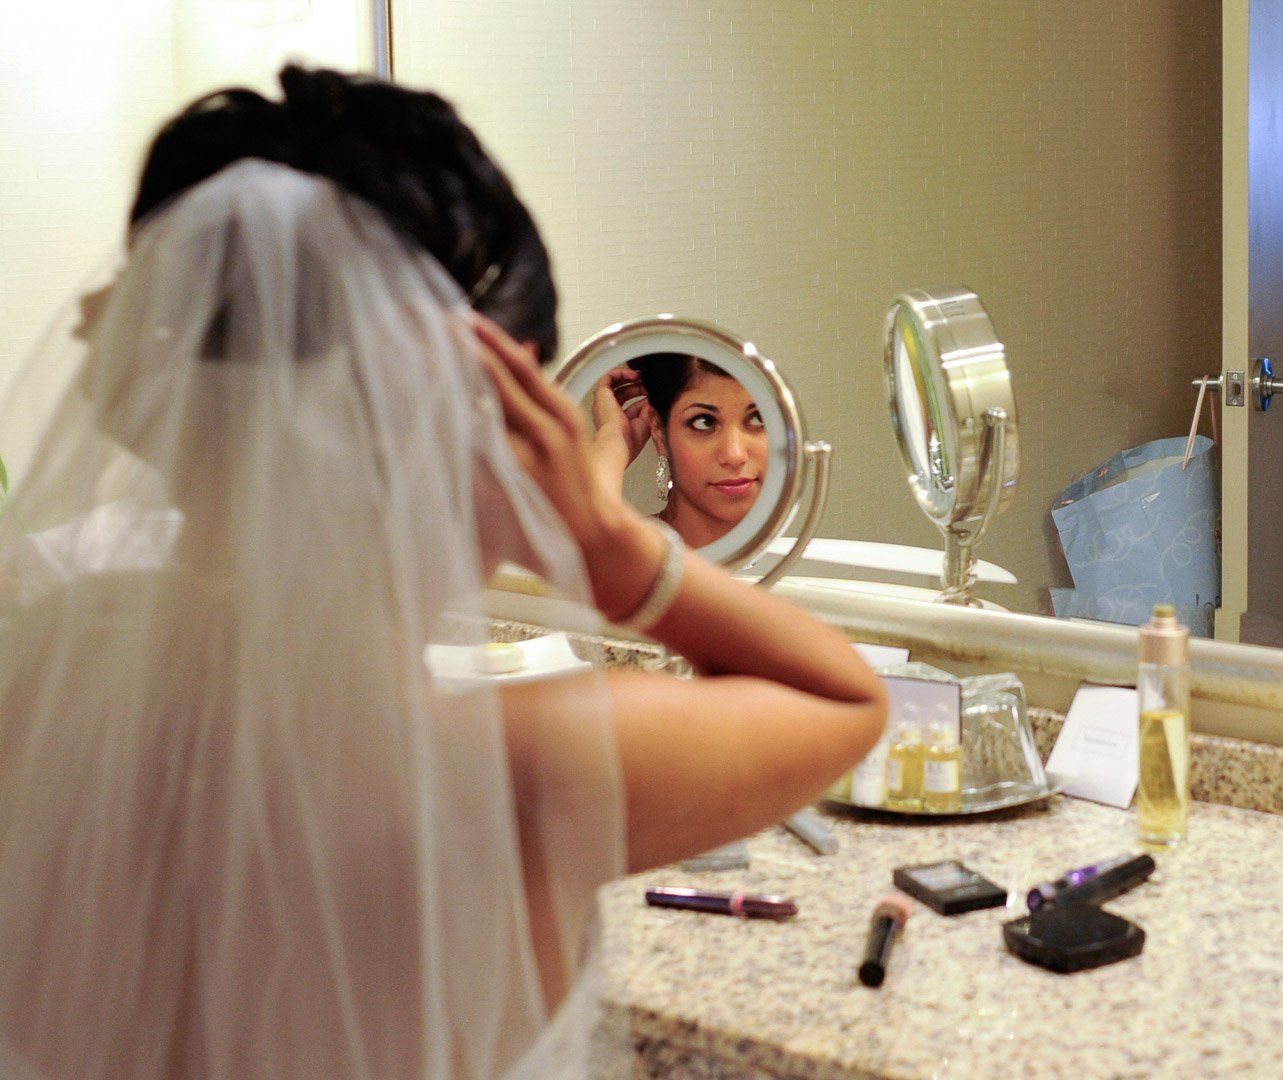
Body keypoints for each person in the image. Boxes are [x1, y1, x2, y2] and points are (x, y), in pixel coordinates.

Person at [0, 66, 886, 1080]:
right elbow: (845, 696)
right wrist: (610, 542)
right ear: (504, 421)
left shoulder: (39, 680)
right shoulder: (509, 770)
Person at [591, 354, 769, 550]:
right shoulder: (633, 554)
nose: (735, 455)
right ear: (658, 430)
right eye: (704, 422)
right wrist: (615, 437)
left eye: (757, 418)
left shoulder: (800, 557)